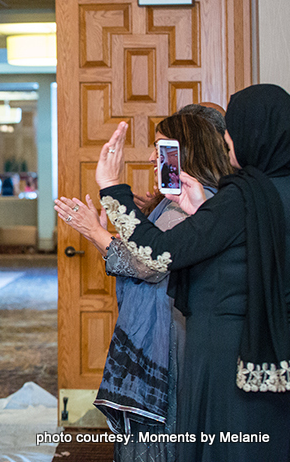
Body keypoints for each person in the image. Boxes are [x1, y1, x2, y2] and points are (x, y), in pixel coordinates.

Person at [91, 84, 290, 461]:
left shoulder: (245, 194)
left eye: (233, 127)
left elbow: (159, 254)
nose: (227, 138)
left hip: (228, 348)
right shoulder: (266, 191)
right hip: (274, 346)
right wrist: (202, 213)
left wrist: (113, 189)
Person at [55, 112, 232, 462]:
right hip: (166, 328)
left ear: (187, 151)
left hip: (170, 336)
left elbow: (148, 264)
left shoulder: (196, 202)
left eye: (160, 147)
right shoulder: (177, 199)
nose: (153, 157)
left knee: (159, 441)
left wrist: (95, 231)